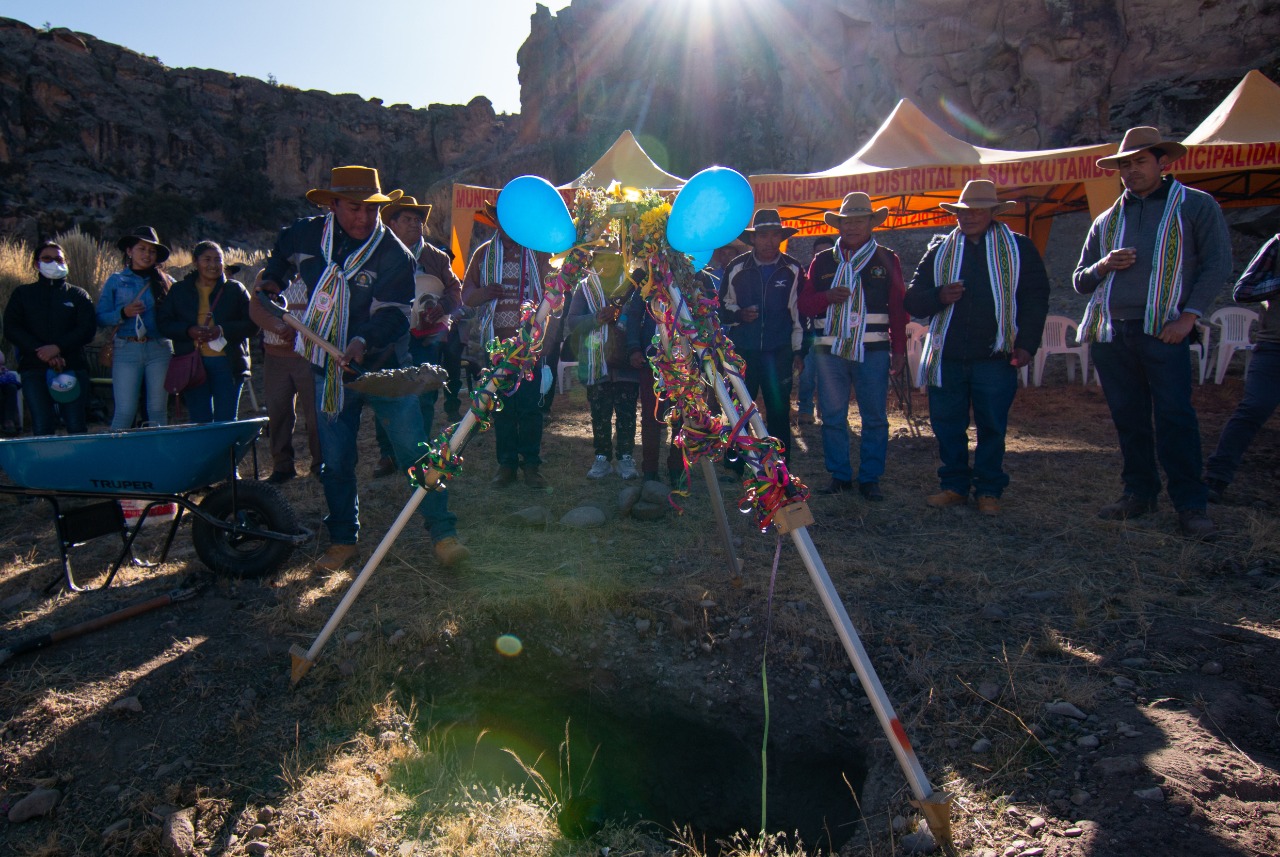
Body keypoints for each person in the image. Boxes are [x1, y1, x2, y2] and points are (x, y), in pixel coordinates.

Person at [259, 165, 466, 572]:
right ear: (333, 205)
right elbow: (280, 255)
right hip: (328, 369)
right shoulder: (305, 235)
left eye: (372, 210)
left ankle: (444, 533)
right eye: (355, 208)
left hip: (384, 366)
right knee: (335, 459)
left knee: (413, 450)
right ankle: (342, 539)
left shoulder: (394, 254)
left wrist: (361, 342)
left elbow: (393, 315)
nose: (364, 219)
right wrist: (271, 284)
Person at [1073, 127, 1230, 540]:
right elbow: (1080, 281)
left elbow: (1217, 265)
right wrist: (1104, 264)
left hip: (1165, 332)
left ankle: (1191, 505)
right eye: (1125, 164)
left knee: (1176, 417)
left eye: (1140, 161)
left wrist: (1189, 318)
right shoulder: (1107, 220)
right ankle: (1139, 492)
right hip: (1112, 333)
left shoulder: (1195, 206)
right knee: (1129, 418)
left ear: (1164, 162)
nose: (1131, 170)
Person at [904, 180, 1049, 515]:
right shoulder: (939, 249)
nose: (968, 217)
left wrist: (1027, 343)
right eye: (962, 212)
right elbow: (913, 298)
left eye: (976, 211)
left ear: (993, 213)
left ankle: (989, 489)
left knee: (993, 425)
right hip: (947, 357)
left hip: (995, 357)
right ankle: (953, 485)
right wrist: (939, 295)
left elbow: (1035, 298)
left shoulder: (1018, 248)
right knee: (947, 424)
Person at [798, 194, 908, 500]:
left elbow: (898, 308)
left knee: (874, 417)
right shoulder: (822, 261)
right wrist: (827, 298)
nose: (853, 226)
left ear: (872, 224)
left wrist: (899, 349)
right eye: (847, 221)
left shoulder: (888, 259)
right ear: (839, 225)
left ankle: (870, 477)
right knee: (832, 416)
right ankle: (840, 475)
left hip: (873, 350)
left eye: (860, 220)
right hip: (829, 351)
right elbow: (804, 305)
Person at [369, 194, 463, 477]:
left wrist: (442, 308)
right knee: (385, 391)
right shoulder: (376, 254)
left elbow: (455, 292)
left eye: (418, 220)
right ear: (392, 223)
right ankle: (388, 454)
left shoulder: (436, 257)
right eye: (408, 220)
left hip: (425, 338)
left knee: (423, 394)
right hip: (386, 336)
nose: (415, 225)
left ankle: (419, 453)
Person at [462, 201, 550, 488]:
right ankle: (507, 465)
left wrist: (544, 339)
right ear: (495, 222)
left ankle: (532, 465)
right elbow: (467, 297)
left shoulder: (538, 253)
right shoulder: (483, 254)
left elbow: (554, 295)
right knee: (501, 407)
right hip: (495, 346)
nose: (509, 224)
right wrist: (485, 292)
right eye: (503, 219)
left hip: (529, 346)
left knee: (529, 407)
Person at [720, 210, 804, 471]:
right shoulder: (736, 267)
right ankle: (734, 465)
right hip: (742, 350)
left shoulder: (792, 269)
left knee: (778, 412)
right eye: (763, 235)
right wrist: (739, 314)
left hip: (779, 351)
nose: (769, 241)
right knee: (739, 409)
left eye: (775, 235)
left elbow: (799, 313)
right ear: (753, 239)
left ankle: (780, 466)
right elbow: (721, 307)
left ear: (781, 237)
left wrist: (799, 351)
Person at [1204, 233, 1279, 503]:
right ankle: (1216, 479)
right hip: (1275, 347)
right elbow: (1243, 290)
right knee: (1254, 408)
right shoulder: (1278, 244)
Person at [4, 241, 96, 435]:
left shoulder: (78, 294)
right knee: (42, 426)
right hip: (33, 368)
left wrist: (58, 347)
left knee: (76, 425)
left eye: (58, 259)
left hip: (71, 367)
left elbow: (87, 329)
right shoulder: (22, 294)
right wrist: (41, 350)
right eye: (47, 258)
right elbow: (12, 328)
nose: (53, 262)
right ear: (36, 264)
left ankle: (79, 465)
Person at [158, 241, 255, 423]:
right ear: (195, 262)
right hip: (193, 364)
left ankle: (227, 453)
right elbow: (164, 323)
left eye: (218, 260)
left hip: (228, 363)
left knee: (226, 422)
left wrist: (222, 330)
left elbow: (252, 324)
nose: (213, 265)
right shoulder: (179, 291)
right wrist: (188, 331)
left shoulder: (235, 290)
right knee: (199, 421)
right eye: (207, 259)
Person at [566, 254, 640, 479]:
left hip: (625, 359)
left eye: (611, 260)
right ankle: (602, 458)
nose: (605, 265)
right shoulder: (584, 288)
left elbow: (639, 316)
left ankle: (626, 457)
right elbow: (572, 322)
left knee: (627, 412)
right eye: (600, 261)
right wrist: (597, 317)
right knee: (600, 413)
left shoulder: (633, 285)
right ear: (592, 263)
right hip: (595, 361)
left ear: (620, 261)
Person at [95, 226, 174, 429]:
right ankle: (117, 458)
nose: (147, 254)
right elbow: (100, 317)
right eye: (142, 249)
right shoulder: (116, 281)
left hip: (159, 348)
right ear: (129, 251)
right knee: (125, 411)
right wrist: (123, 313)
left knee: (158, 410)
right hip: (126, 349)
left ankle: (157, 457)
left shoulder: (167, 282)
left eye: (152, 250)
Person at [249, 269, 322, 483]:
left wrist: (300, 333)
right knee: (278, 412)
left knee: (315, 413)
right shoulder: (266, 275)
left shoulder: (316, 270)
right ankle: (282, 466)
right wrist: (281, 327)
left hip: (309, 355)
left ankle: (320, 464)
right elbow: (256, 309)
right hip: (275, 356)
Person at [793, 236, 833, 426]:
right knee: (807, 375)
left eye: (827, 251)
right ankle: (806, 409)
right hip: (808, 334)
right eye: (819, 252)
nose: (822, 255)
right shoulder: (806, 275)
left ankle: (827, 410)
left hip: (831, 333)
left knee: (829, 377)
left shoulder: (841, 273)